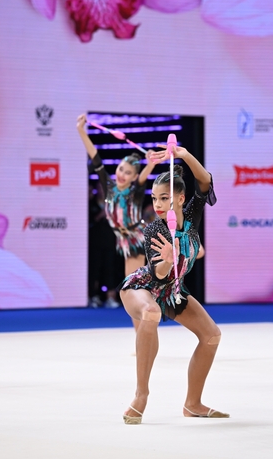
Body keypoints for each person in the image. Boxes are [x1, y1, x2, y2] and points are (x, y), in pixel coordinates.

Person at [119, 146, 226, 424]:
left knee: (212, 335)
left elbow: (205, 182)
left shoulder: (191, 217)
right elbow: (157, 274)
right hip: (143, 287)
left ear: (180, 198)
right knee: (151, 313)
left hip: (172, 292)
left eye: (164, 198)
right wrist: (167, 259)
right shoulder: (155, 228)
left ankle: (193, 403)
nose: (157, 204)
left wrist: (184, 155)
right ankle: (141, 395)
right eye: (154, 198)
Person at [77, 115, 155, 311]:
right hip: (121, 239)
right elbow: (95, 157)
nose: (122, 174)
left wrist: (151, 163)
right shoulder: (109, 187)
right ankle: (143, 321)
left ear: (134, 176)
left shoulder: (135, 192)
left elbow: (143, 178)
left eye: (128, 172)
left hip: (135, 239)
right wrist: (81, 131)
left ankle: (147, 318)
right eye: (121, 169)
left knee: (133, 287)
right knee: (131, 289)